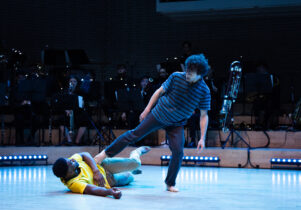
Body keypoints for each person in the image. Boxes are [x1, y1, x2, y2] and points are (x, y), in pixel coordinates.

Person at [94, 54, 211, 192]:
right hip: (159, 114)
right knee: (134, 134)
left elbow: (204, 116)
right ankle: (103, 155)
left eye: (191, 73)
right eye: (187, 70)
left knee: (178, 151)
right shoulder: (176, 76)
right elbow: (159, 92)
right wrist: (147, 110)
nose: (187, 74)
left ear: (200, 74)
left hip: (177, 123)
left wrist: (202, 138)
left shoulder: (204, 91)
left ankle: (170, 183)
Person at [52, 146, 151, 199]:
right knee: (130, 176)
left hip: (102, 165)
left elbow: (85, 154)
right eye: (71, 163)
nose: (73, 160)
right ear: (68, 173)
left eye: (71, 160)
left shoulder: (70, 162)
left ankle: (137, 152)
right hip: (108, 181)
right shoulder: (74, 184)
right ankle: (130, 170)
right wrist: (109, 192)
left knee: (136, 163)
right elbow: (92, 189)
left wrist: (96, 171)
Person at [58, 75, 89, 145]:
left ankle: (77, 141)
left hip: (77, 113)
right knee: (60, 120)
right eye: (71, 81)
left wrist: (81, 105)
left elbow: (81, 105)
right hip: (67, 113)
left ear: (77, 82)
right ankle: (68, 140)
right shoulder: (64, 92)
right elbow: (61, 103)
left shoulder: (81, 92)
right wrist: (66, 110)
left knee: (85, 120)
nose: (73, 83)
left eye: (74, 81)